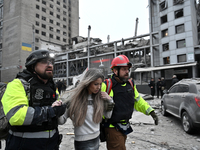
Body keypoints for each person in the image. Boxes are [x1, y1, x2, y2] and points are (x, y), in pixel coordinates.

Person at [2, 50, 66, 150]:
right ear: (32, 66)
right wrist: (51, 111)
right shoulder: (17, 84)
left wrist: (61, 109)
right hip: (24, 144)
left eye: (51, 62)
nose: (50, 65)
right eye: (44, 62)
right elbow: (15, 116)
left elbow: (57, 116)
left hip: (52, 144)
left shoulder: (52, 86)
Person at [101, 55, 158, 150]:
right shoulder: (106, 85)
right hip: (112, 127)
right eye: (124, 69)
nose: (127, 71)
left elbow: (138, 101)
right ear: (115, 71)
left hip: (125, 126)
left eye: (128, 69)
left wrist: (150, 111)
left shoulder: (130, 84)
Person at [58, 68, 114, 150]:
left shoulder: (100, 98)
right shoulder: (74, 99)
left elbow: (108, 115)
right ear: (88, 83)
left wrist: (109, 100)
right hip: (82, 143)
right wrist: (58, 109)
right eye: (96, 84)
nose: (99, 87)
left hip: (97, 139)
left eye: (100, 84)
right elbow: (61, 121)